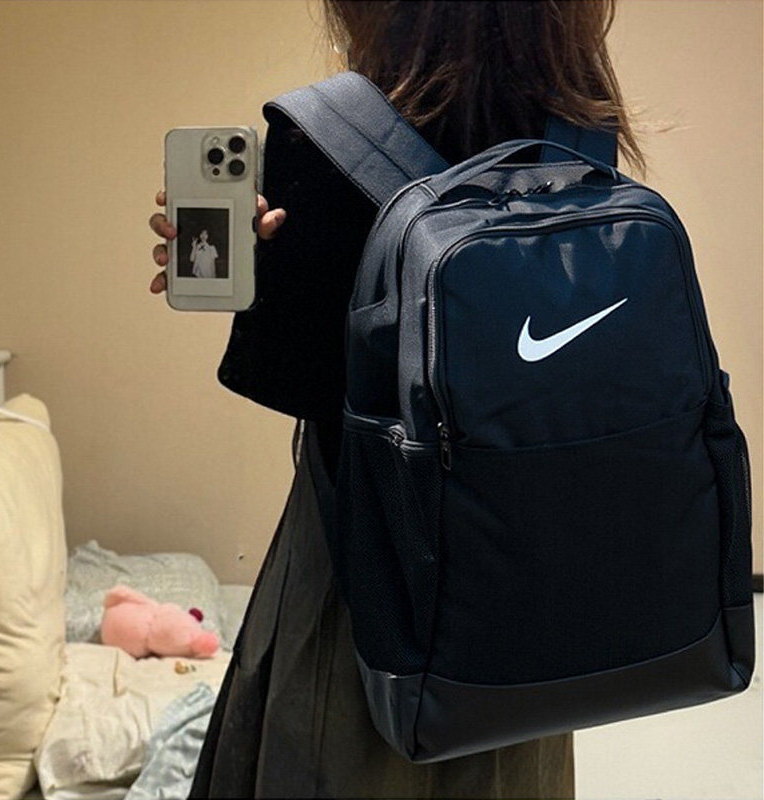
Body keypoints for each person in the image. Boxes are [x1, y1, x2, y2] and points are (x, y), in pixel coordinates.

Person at [148, 2, 644, 796]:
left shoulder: (328, 135)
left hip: (362, 572)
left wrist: (265, 272)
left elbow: (289, 381)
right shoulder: (583, 135)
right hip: (525, 577)